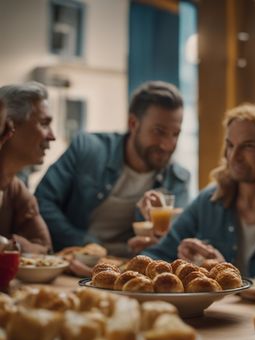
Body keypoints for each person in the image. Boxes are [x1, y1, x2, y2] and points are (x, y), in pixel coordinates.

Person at [141, 104, 255, 277]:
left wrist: (223, 271)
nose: (234, 156)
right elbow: (157, 255)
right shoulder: (208, 202)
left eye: (248, 146)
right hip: (215, 309)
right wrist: (181, 264)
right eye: (230, 145)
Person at [35, 81, 190, 258]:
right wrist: (88, 247)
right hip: (75, 259)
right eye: (159, 131)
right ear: (133, 123)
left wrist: (159, 243)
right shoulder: (88, 149)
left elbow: (177, 239)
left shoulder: (178, 179)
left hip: (130, 272)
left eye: (175, 134)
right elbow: (42, 202)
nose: (168, 144)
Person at [0, 82, 54, 253]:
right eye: (44, 124)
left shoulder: (15, 189)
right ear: (9, 127)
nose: (52, 136)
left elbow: (45, 250)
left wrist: (13, 245)